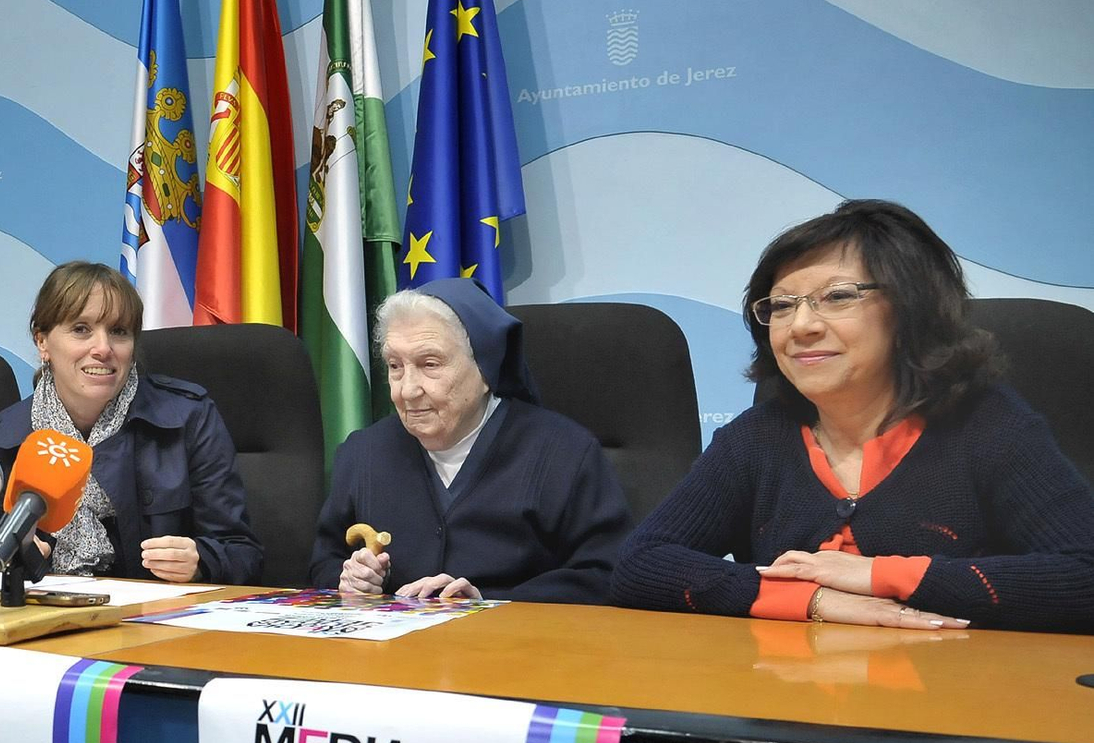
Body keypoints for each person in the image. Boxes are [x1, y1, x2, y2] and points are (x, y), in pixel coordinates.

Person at [609, 198, 1094, 633]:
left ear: (909, 308)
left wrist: (880, 575)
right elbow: (641, 564)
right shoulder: (757, 438)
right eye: (781, 305)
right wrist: (810, 599)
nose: (801, 326)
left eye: (838, 297)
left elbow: (1084, 574)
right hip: (787, 702)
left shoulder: (988, 426)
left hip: (952, 701)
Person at [309, 278, 631, 602]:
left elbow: (605, 573)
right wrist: (353, 579)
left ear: (485, 370)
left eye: (429, 365)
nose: (407, 390)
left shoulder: (565, 453)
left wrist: (489, 602)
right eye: (395, 366)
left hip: (520, 645)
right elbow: (324, 562)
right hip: (391, 648)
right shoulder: (363, 453)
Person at [0, 261, 262, 584]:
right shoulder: (11, 436)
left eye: (118, 332)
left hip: (155, 623)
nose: (103, 349)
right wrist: (17, 561)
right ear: (42, 342)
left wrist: (201, 562)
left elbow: (244, 553)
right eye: (81, 329)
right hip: (47, 620)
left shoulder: (188, 417)